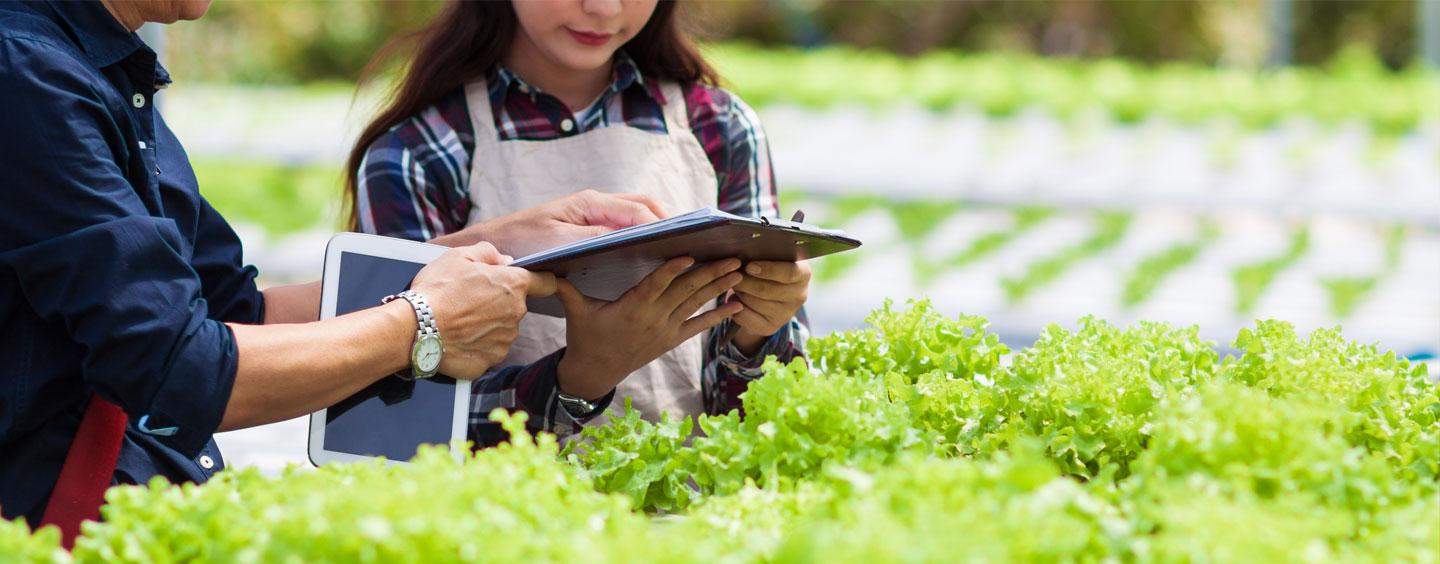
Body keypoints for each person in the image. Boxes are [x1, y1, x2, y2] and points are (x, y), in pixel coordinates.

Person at [0, 0, 663, 541]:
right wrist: (420, 323)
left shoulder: (102, 69)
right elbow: (179, 370)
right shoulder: (28, 73)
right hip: (50, 524)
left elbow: (236, 313)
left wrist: (490, 247)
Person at [348, 0, 813, 441]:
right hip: (506, 517)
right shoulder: (418, 154)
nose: (605, 9)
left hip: (695, 516)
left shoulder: (721, 129)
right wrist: (582, 374)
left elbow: (765, 423)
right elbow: (399, 414)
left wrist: (759, 327)